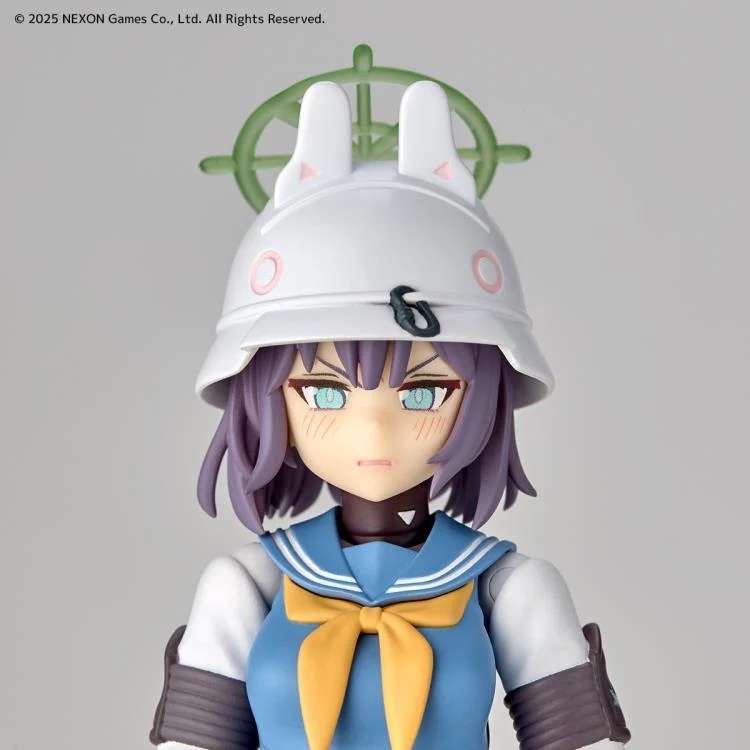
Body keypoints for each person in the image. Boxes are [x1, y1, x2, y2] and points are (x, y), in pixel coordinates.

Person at [150, 81, 631, 750]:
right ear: (265, 397)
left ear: (485, 392)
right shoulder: (249, 585)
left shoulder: (507, 588)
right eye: (324, 393)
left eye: (423, 392)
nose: (374, 429)